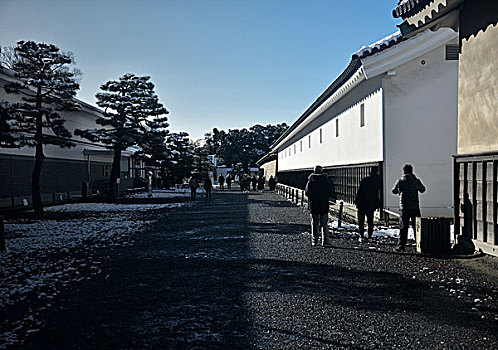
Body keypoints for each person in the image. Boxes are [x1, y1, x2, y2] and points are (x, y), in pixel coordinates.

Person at [392, 164, 426, 252]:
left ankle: (401, 246)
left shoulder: (400, 181)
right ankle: (419, 245)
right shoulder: (415, 181)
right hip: (415, 207)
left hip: (404, 207)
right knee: (417, 227)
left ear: (403, 171)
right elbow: (422, 189)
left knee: (403, 227)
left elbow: (394, 191)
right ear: (412, 171)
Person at [305, 165, 335, 247]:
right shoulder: (326, 180)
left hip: (314, 204)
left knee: (314, 223)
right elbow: (330, 191)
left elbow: (307, 192)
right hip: (323, 204)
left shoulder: (311, 180)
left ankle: (315, 240)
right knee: (324, 223)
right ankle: (325, 241)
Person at [354, 166, 382, 242]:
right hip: (371, 204)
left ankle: (361, 235)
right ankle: (370, 236)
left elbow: (360, 191)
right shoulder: (378, 181)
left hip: (362, 203)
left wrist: (356, 201)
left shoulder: (365, 180)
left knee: (361, 221)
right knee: (370, 221)